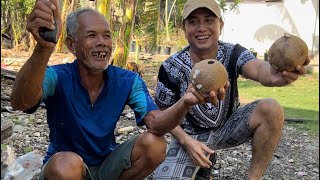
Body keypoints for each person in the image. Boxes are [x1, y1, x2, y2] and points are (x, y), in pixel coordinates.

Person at [10, 0, 220, 179]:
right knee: (67, 165)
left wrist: (186, 102)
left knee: (154, 145)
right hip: (66, 168)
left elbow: (156, 124)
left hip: (106, 164)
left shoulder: (127, 80)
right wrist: (43, 48)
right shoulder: (57, 76)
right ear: (72, 45)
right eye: (91, 35)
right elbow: (21, 102)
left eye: (107, 36)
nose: (102, 43)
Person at [152, 0, 310, 179]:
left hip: (227, 129)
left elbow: (258, 68)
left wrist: (274, 75)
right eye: (193, 21)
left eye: (209, 20)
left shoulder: (233, 53)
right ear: (184, 27)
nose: (201, 28)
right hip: (189, 136)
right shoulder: (170, 67)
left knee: (271, 108)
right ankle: (200, 160)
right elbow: (162, 111)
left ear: (221, 24)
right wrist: (186, 141)